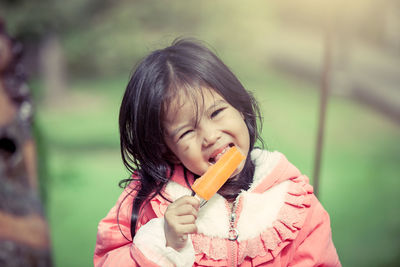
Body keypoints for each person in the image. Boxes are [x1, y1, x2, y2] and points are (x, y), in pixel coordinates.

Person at [94, 38, 341, 267]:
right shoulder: (148, 201)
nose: (210, 137)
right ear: (169, 151)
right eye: (186, 132)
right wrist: (163, 240)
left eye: (216, 113)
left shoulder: (293, 203)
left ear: (240, 108)